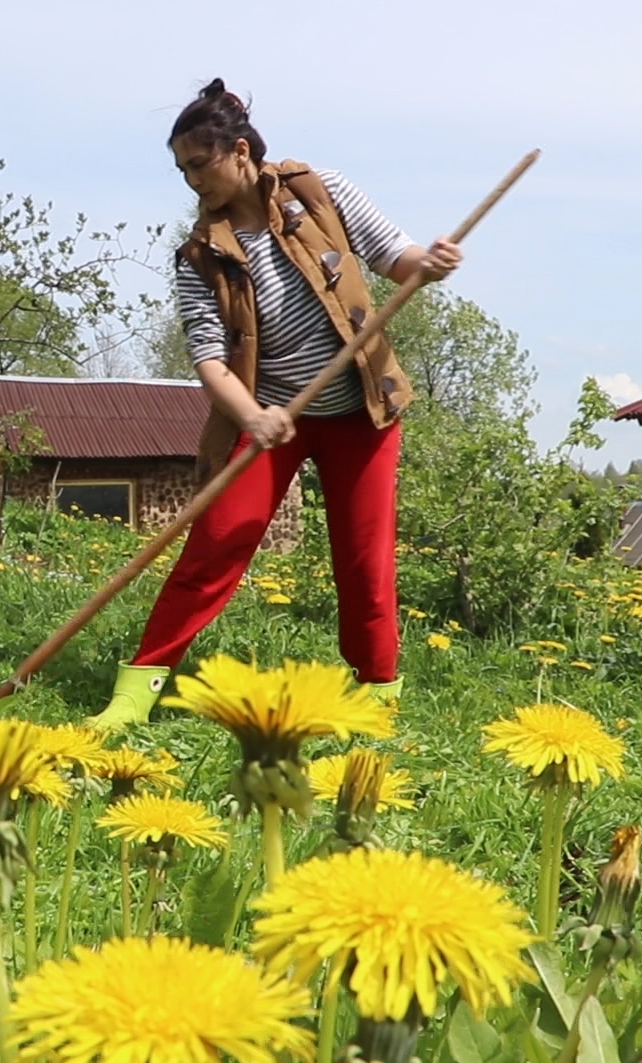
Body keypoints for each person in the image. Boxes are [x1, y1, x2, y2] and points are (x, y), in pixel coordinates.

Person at [86, 79, 462, 730]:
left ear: (238, 151)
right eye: (181, 170)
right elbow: (207, 354)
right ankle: (134, 694)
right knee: (217, 542)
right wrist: (253, 414)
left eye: (198, 165)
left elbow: (393, 258)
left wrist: (428, 262)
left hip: (360, 412)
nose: (190, 181)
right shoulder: (200, 254)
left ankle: (377, 699)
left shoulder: (320, 191)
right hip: (269, 419)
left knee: (363, 557)